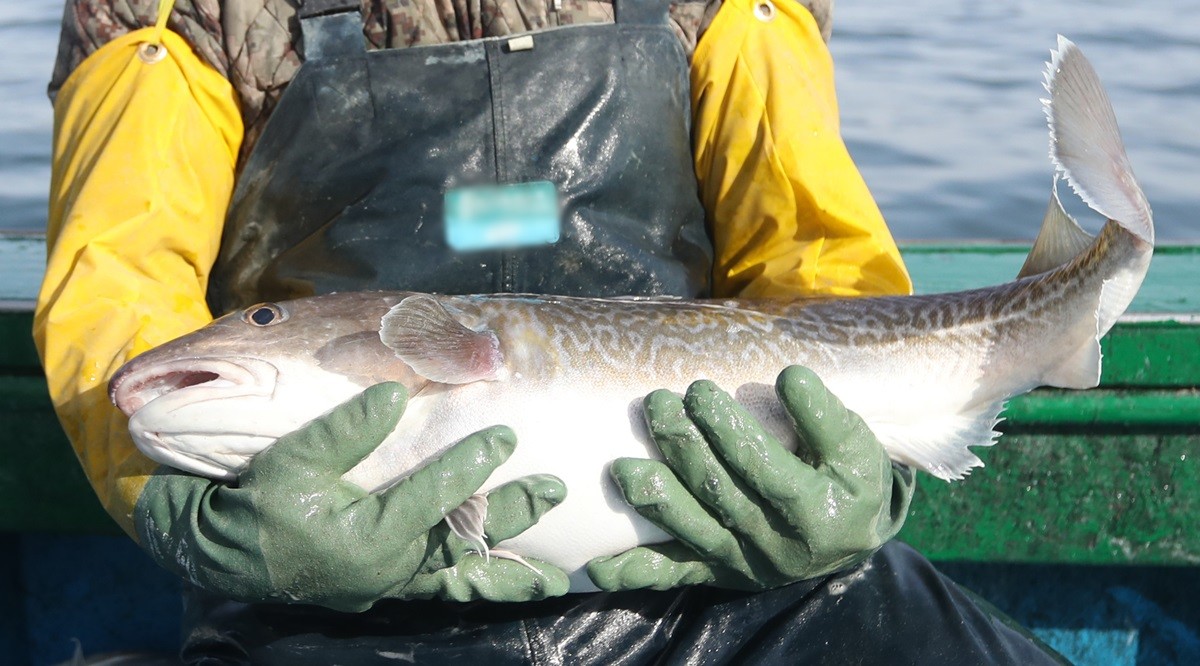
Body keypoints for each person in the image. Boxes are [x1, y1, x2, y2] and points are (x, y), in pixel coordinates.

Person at [35, 0, 1063, 661]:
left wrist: (856, 477)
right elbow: (118, 291)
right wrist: (179, 508)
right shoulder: (174, 13)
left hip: (719, 568)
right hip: (322, 602)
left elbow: (816, 263)